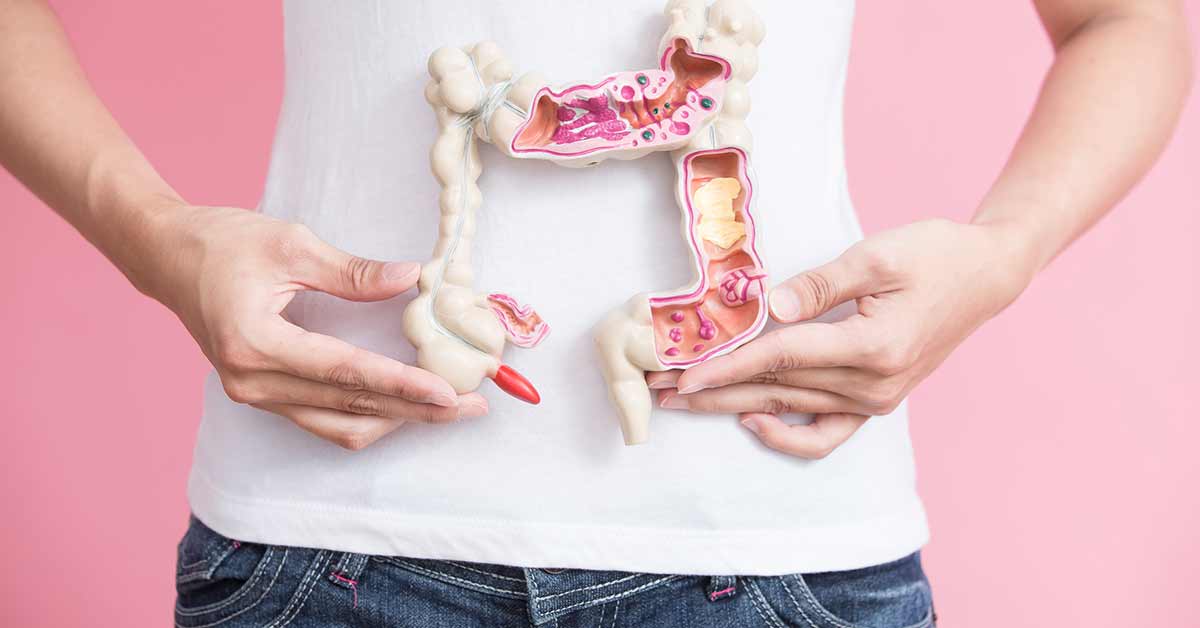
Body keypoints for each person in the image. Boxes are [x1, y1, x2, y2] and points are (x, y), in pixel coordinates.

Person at [1, 0, 1191, 626]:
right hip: (331, 548)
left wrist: (1005, 251)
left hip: (780, 547)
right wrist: (154, 237)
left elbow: (1126, 17)